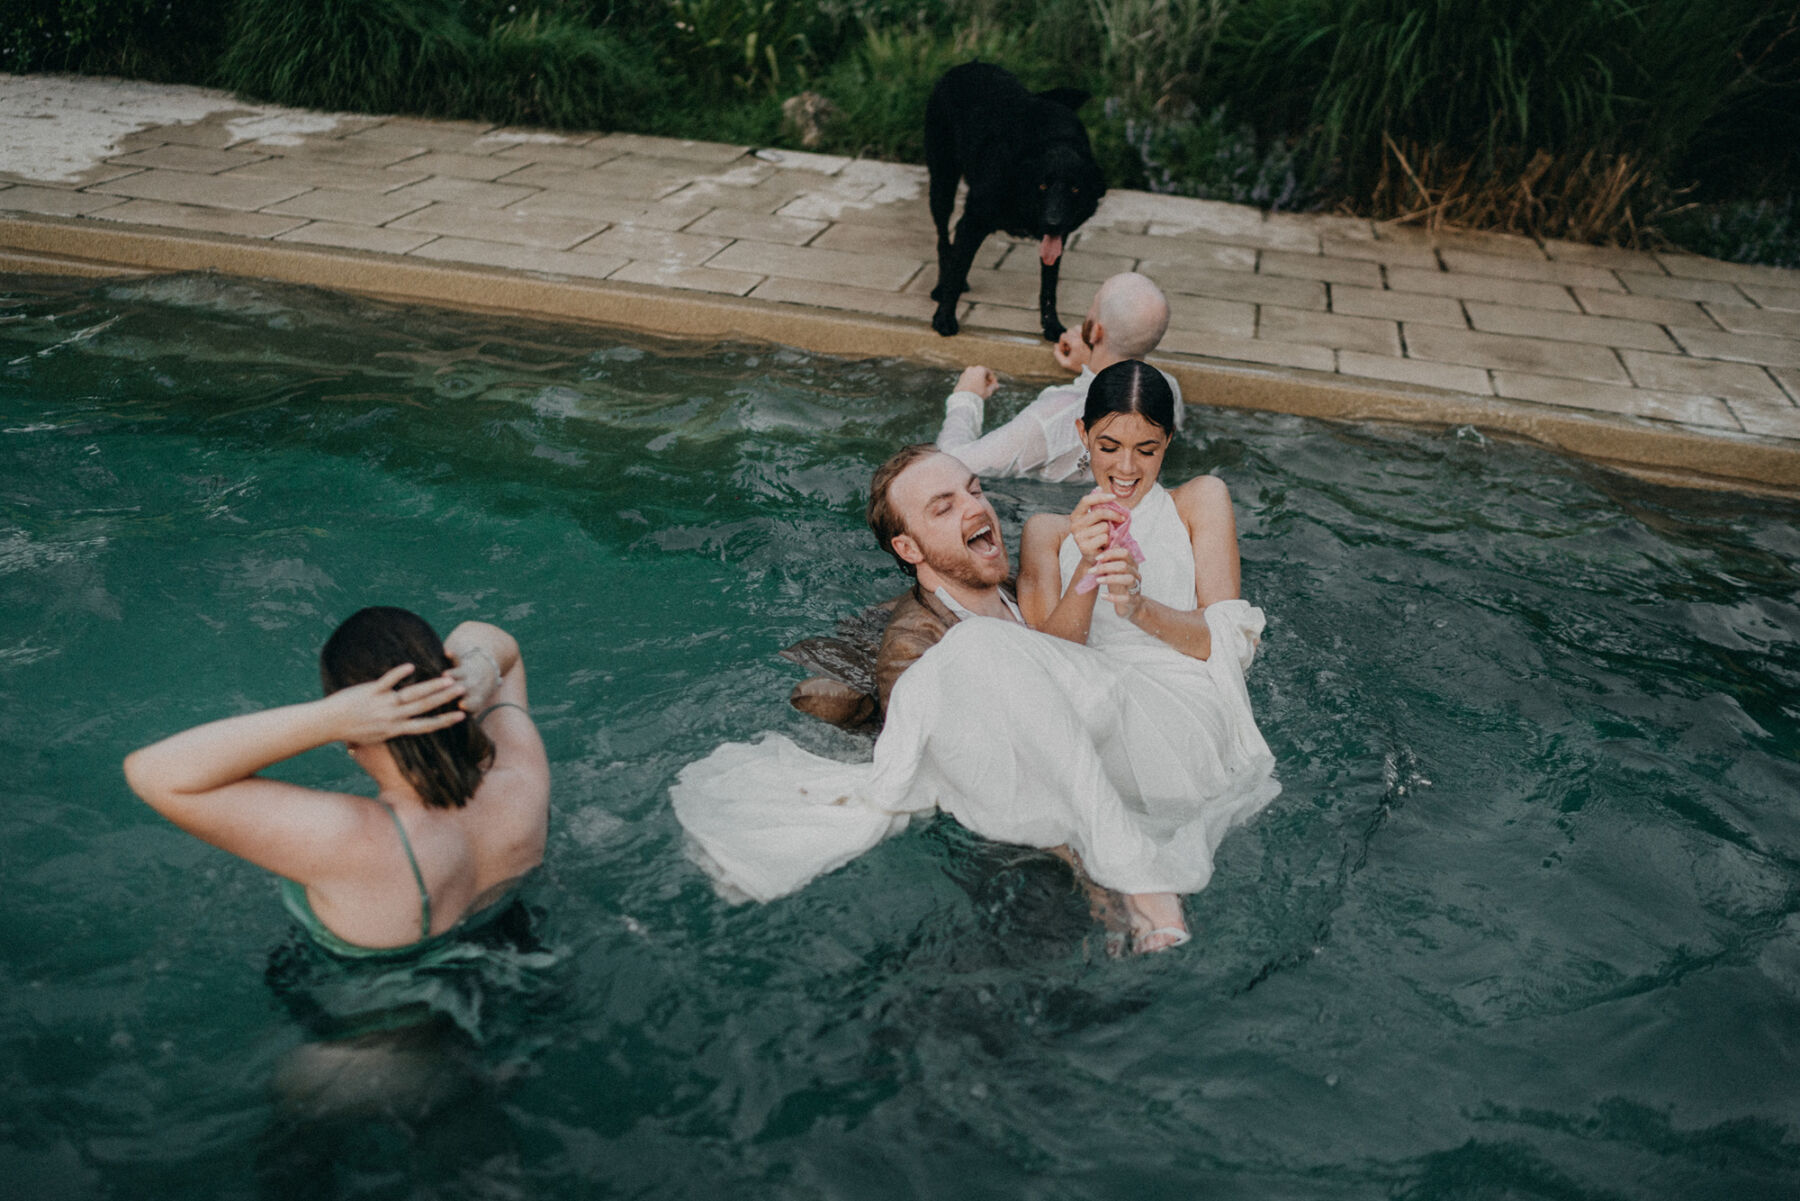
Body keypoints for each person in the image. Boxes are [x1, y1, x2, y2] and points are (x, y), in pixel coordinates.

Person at [672, 388, 1278, 953]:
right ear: (909, 550)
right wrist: (1095, 877)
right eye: (946, 506)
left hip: (1140, 734)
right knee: (975, 650)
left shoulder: (1020, 581)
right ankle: (1132, 880)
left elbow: (1068, 650)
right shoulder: (918, 643)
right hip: (1022, 840)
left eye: (974, 489)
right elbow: (953, 743)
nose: (976, 506)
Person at [124, 609, 548, 957]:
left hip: (378, 1032)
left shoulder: (351, 839)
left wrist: (327, 720)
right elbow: (497, 644)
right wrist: (480, 664)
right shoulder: (520, 779)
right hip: (518, 966)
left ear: (351, 731)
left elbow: (152, 772)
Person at [936, 271, 1180, 482]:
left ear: (1096, 331)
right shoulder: (1169, 390)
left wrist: (966, 397)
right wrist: (1090, 362)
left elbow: (952, 464)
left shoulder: (1052, 416)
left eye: (1093, 306)